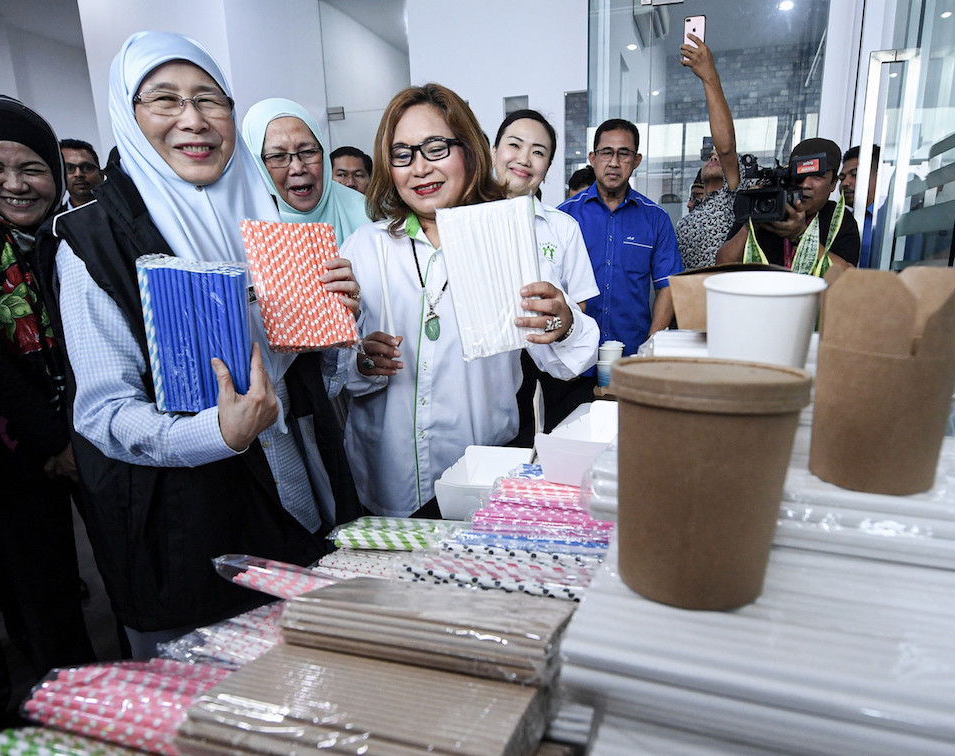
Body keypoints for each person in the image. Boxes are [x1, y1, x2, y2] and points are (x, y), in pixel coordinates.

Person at [39, 31, 360, 657]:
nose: (194, 120)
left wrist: (336, 323)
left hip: (294, 497)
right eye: (164, 100)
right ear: (128, 119)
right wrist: (219, 432)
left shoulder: (262, 217)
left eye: (210, 99)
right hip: (191, 526)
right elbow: (103, 416)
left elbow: (300, 373)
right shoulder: (93, 241)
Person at [341, 83, 598, 517]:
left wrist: (564, 323)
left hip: (480, 477)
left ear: (470, 150)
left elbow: (563, 362)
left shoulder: (513, 241)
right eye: (402, 153)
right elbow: (338, 374)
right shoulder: (365, 247)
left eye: (436, 147)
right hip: (386, 479)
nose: (419, 168)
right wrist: (362, 363)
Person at [0, 94, 95, 730]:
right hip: (9, 447)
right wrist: (50, 441)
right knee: (45, 595)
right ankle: (75, 715)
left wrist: (79, 435)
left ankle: (136, 696)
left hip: (96, 429)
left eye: (31, 168)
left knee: (121, 566)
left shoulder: (78, 237)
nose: (14, 184)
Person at [490, 109, 599, 440]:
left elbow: (578, 306)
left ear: (547, 168)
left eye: (538, 152)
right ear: (494, 152)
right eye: (514, 145)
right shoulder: (459, 220)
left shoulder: (562, 227)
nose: (524, 158)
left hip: (539, 364)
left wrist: (558, 322)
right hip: (479, 370)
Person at [558, 118, 683, 357]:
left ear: (636, 161)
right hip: (572, 356)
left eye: (624, 154)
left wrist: (650, 347)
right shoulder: (565, 216)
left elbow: (667, 287)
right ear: (593, 158)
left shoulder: (656, 219)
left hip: (632, 355)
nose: (614, 162)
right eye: (607, 152)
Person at [716, 137, 860, 272]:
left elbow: (846, 277)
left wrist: (801, 235)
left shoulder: (839, 218)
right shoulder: (769, 205)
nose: (805, 184)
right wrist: (751, 224)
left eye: (817, 176)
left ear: (833, 184)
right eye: (799, 176)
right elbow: (721, 266)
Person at [242, 101, 369, 243]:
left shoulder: (369, 216)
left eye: (308, 152)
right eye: (278, 156)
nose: (298, 168)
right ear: (257, 165)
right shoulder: (241, 232)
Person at [674, 34, 741, 270]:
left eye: (718, 158)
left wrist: (709, 77)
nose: (714, 156)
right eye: (710, 156)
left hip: (723, 299)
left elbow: (725, 147)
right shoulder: (684, 223)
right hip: (688, 302)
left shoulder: (731, 200)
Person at [840, 143, 880, 268]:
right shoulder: (843, 222)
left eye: (855, 175)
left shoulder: (886, 221)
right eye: (842, 178)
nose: (845, 183)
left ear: (878, 176)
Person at [60, 138, 104, 209]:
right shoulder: (56, 219)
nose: (78, 174)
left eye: (87, 168)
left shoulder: (122, 211)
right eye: (69, 168)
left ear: (101, 175)